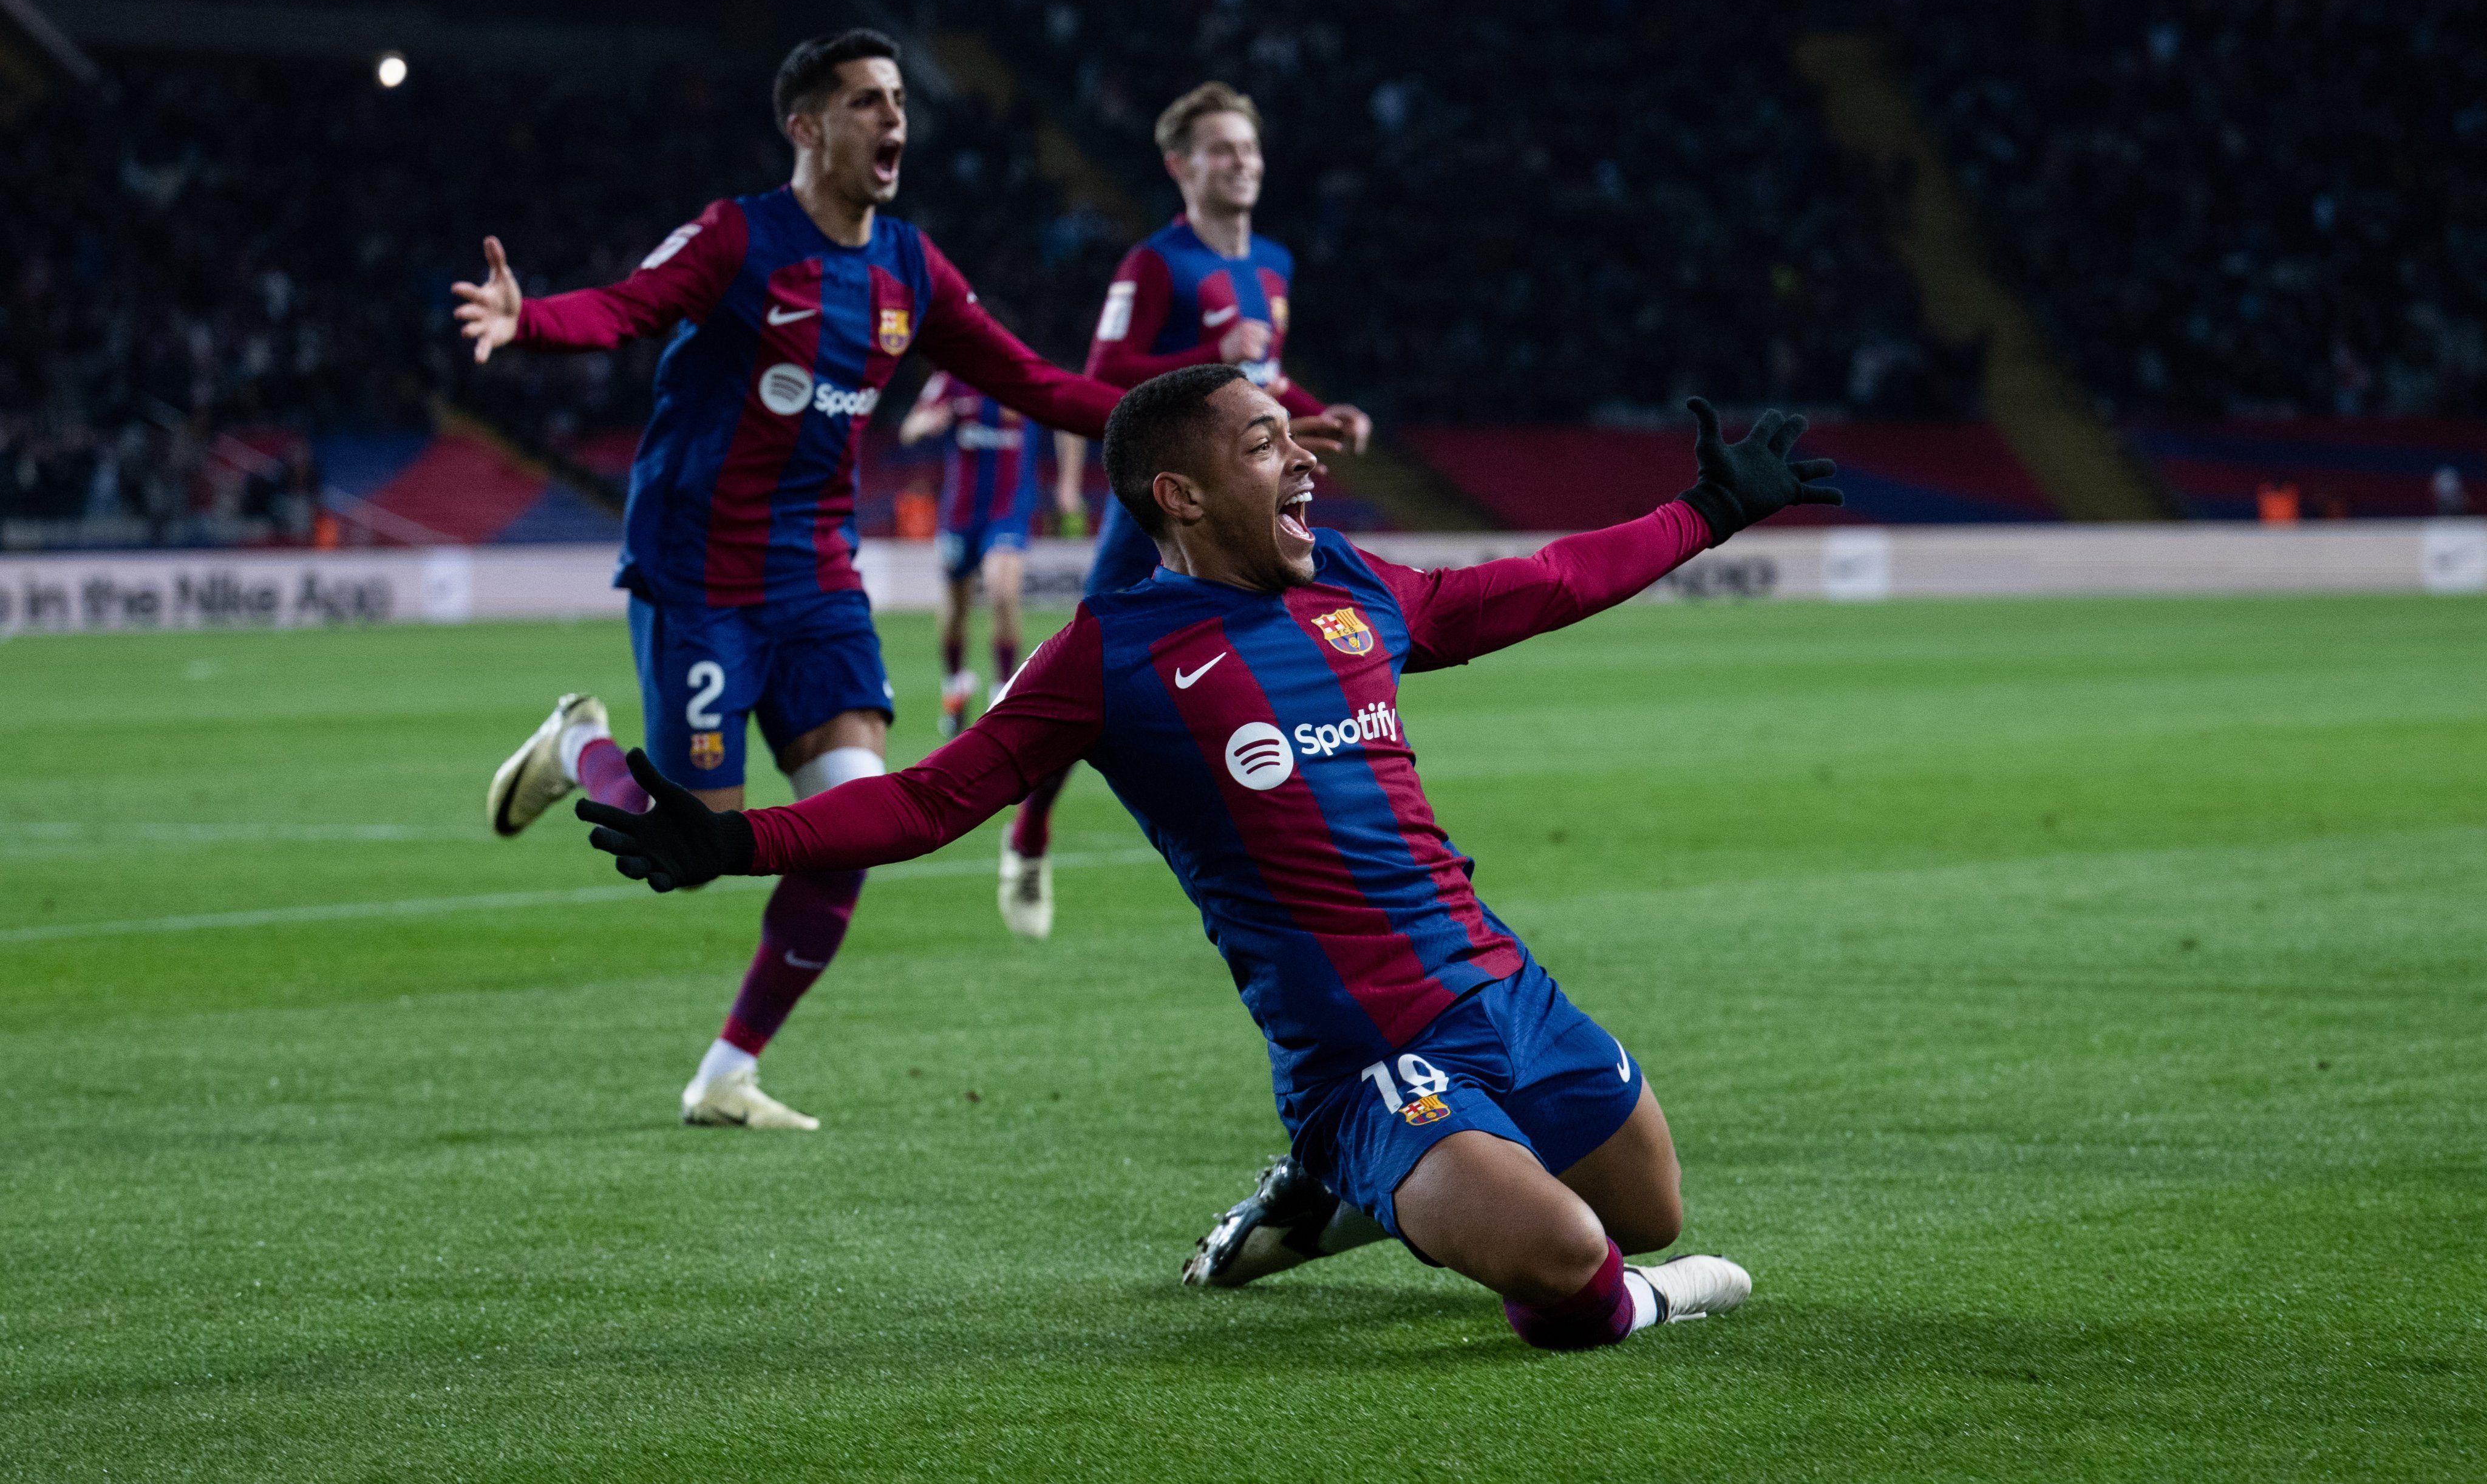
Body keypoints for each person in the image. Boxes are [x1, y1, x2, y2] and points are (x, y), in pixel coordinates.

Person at [575, 365, 1843, 1349]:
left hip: (1506, 990)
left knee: (1648, 1209)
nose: (1302, 460)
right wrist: (733, 839)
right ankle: (1614, 1288)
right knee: (1574, 1262)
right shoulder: (1110, 656)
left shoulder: (1345, 582)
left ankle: (1343, 1201)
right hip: (1364, 1057)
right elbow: (926, 802)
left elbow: (1537, 582)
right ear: (1176, 495)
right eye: (1263, 446)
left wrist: (1706, 510)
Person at [455, 29, 1131, 1131]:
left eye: (901, 99)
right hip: (700, 574)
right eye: (867, 101)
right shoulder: (740, 237)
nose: (895, 120)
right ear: (807, 128)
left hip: (816, 578)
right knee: (691, 848)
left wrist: (1192, 411)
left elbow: (1034, 381)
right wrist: (527, 320)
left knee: (856, 824)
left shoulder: (912, 267)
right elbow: (627, 306)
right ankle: (578, 745)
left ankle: (726, 1071)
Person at [1003, 82, 1373, 939]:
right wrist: (1211, 350)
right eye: (1221, 149)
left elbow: (1263, 377)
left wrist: (1321, 404)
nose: (1241, 162)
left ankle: (1294, 834)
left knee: (1288, 648)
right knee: (1086, 668)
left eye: (1249, 147)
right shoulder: (1155, 264)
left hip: (1247, 500)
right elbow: (1104, 371)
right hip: (1161, 508)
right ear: (1181, 166)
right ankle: (1029, 831)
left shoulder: (1272, 261)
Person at [896, 370, 1039, 748]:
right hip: (960, 514)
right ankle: (956, 685)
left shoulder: (1021, 377)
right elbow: (908, 429)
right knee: (956, 608)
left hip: (1008, 510)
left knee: (1003, 591)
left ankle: (1002, 693)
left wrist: (1070, 482)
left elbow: (1065, 417)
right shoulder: (950, 382)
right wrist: (928, 422)